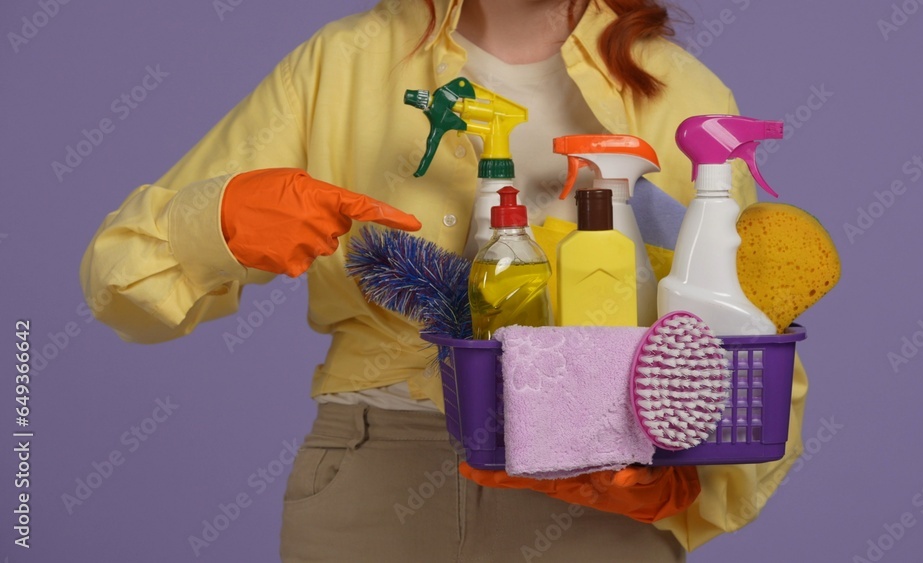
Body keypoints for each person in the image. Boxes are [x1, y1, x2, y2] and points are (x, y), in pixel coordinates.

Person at [81, 0, 809, 561]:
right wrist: (222, 221)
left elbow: (748, 338)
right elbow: (121, 280)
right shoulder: (342, 65)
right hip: (375, 482)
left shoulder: (679, 92)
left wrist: (680, 481)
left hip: (598, 497)